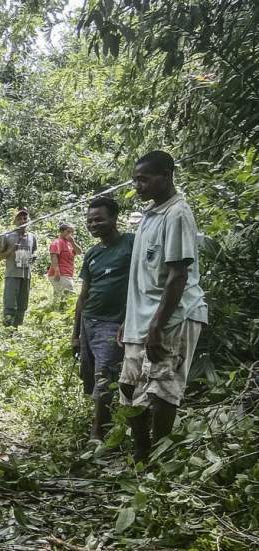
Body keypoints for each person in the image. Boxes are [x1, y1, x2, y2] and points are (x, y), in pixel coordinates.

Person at [119, 150, 208, 462]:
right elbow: (142, 278)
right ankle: (141, 454)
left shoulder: (177, 214)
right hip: (141, 318)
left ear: (167, 176)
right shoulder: (149, 215)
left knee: (163, 389)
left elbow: (178, 274)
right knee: (129, 387)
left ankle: (158, 460)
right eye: (136, 180)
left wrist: (157, 324)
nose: (138, 185)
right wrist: (128, 321)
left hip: (173, 317)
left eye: (144, 179)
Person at [72, 196, 134, 440]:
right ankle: (103, 426)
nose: (93, 224)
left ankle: (98, 435)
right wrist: (75, 334)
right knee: (91, 376)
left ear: (114, 218)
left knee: (104, 377)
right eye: (89, 221)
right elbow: (83, 296)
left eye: (99, 219)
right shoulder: (92, 253)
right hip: (89, 322)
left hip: (114, 323)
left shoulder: (131, 243)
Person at [0, 208, 37, 326]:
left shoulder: (32, 237)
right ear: (14, 221)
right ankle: (6, 329)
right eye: (19, 218)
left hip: (26, 275)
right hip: (12, 274)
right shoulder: (7, 236)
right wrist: (11, 250)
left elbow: (34, 251)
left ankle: (17, 329)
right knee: (10, 304)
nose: (22, 221)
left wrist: (34, 256)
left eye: (25, 218)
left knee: (23, 305)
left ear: (28, 220)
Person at [47, 222, 81, 301]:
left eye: (72, 232)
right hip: (60, 274)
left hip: (67, 274)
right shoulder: (57, 242)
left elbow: (79, 252)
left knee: (60, 298)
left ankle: (56, 311)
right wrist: (57, 272)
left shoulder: (70, 243)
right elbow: (53, 257)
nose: (70, 234)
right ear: (62, 232)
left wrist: (73, 242)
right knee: (70, 296)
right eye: (68, 232)